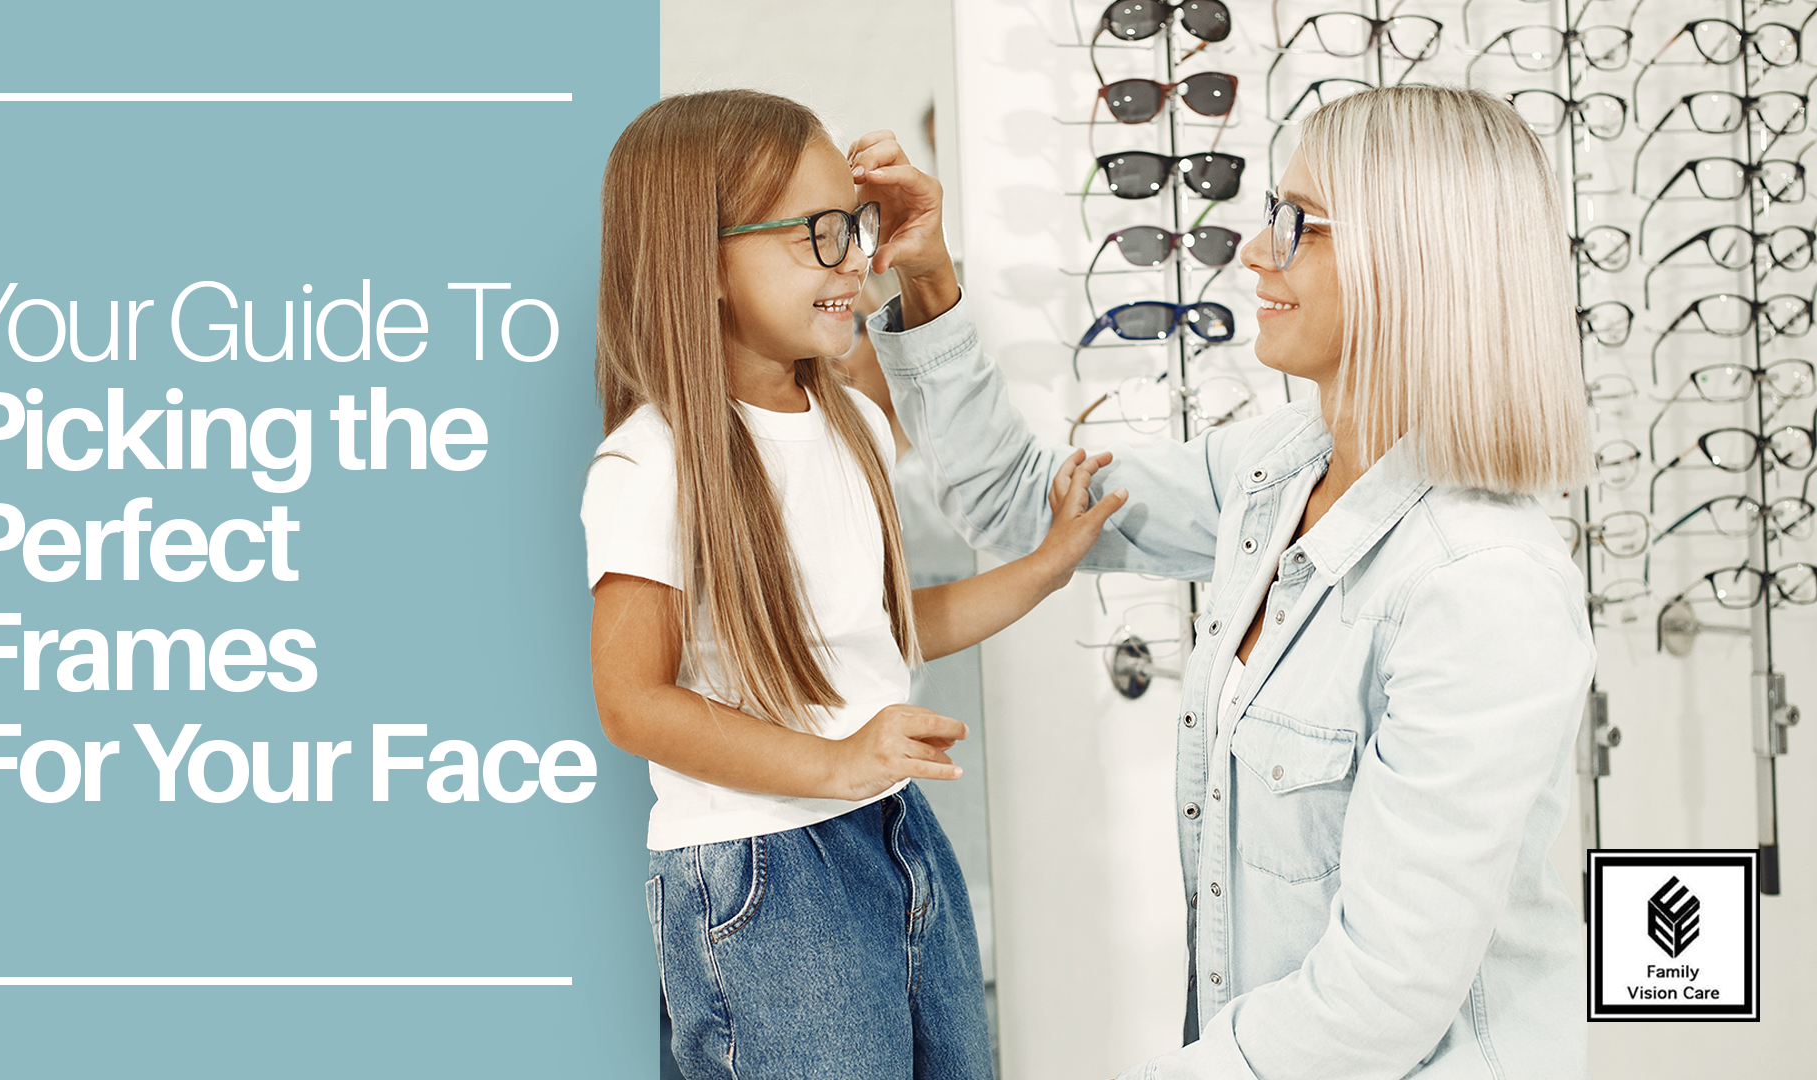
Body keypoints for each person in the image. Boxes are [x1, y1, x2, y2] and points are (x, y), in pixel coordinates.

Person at [851, 85, 1595, 1078]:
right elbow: (1030, 509)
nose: (1255, 251)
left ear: (1413, 261)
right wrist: (930, 282)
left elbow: (1382, 998)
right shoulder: (1277, 474)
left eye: (1300, 225)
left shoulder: (1481, 587)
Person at [582, 89, 1128, 1080]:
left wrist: (1046, 566)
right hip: (762, 870)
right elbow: (631, 700)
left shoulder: (851, 428)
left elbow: (881, 630)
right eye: (819, 233)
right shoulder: (651, 465)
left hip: (893, 831)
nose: (855, 260)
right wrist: (837, 761)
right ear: (702, 260)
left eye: (856, 226)